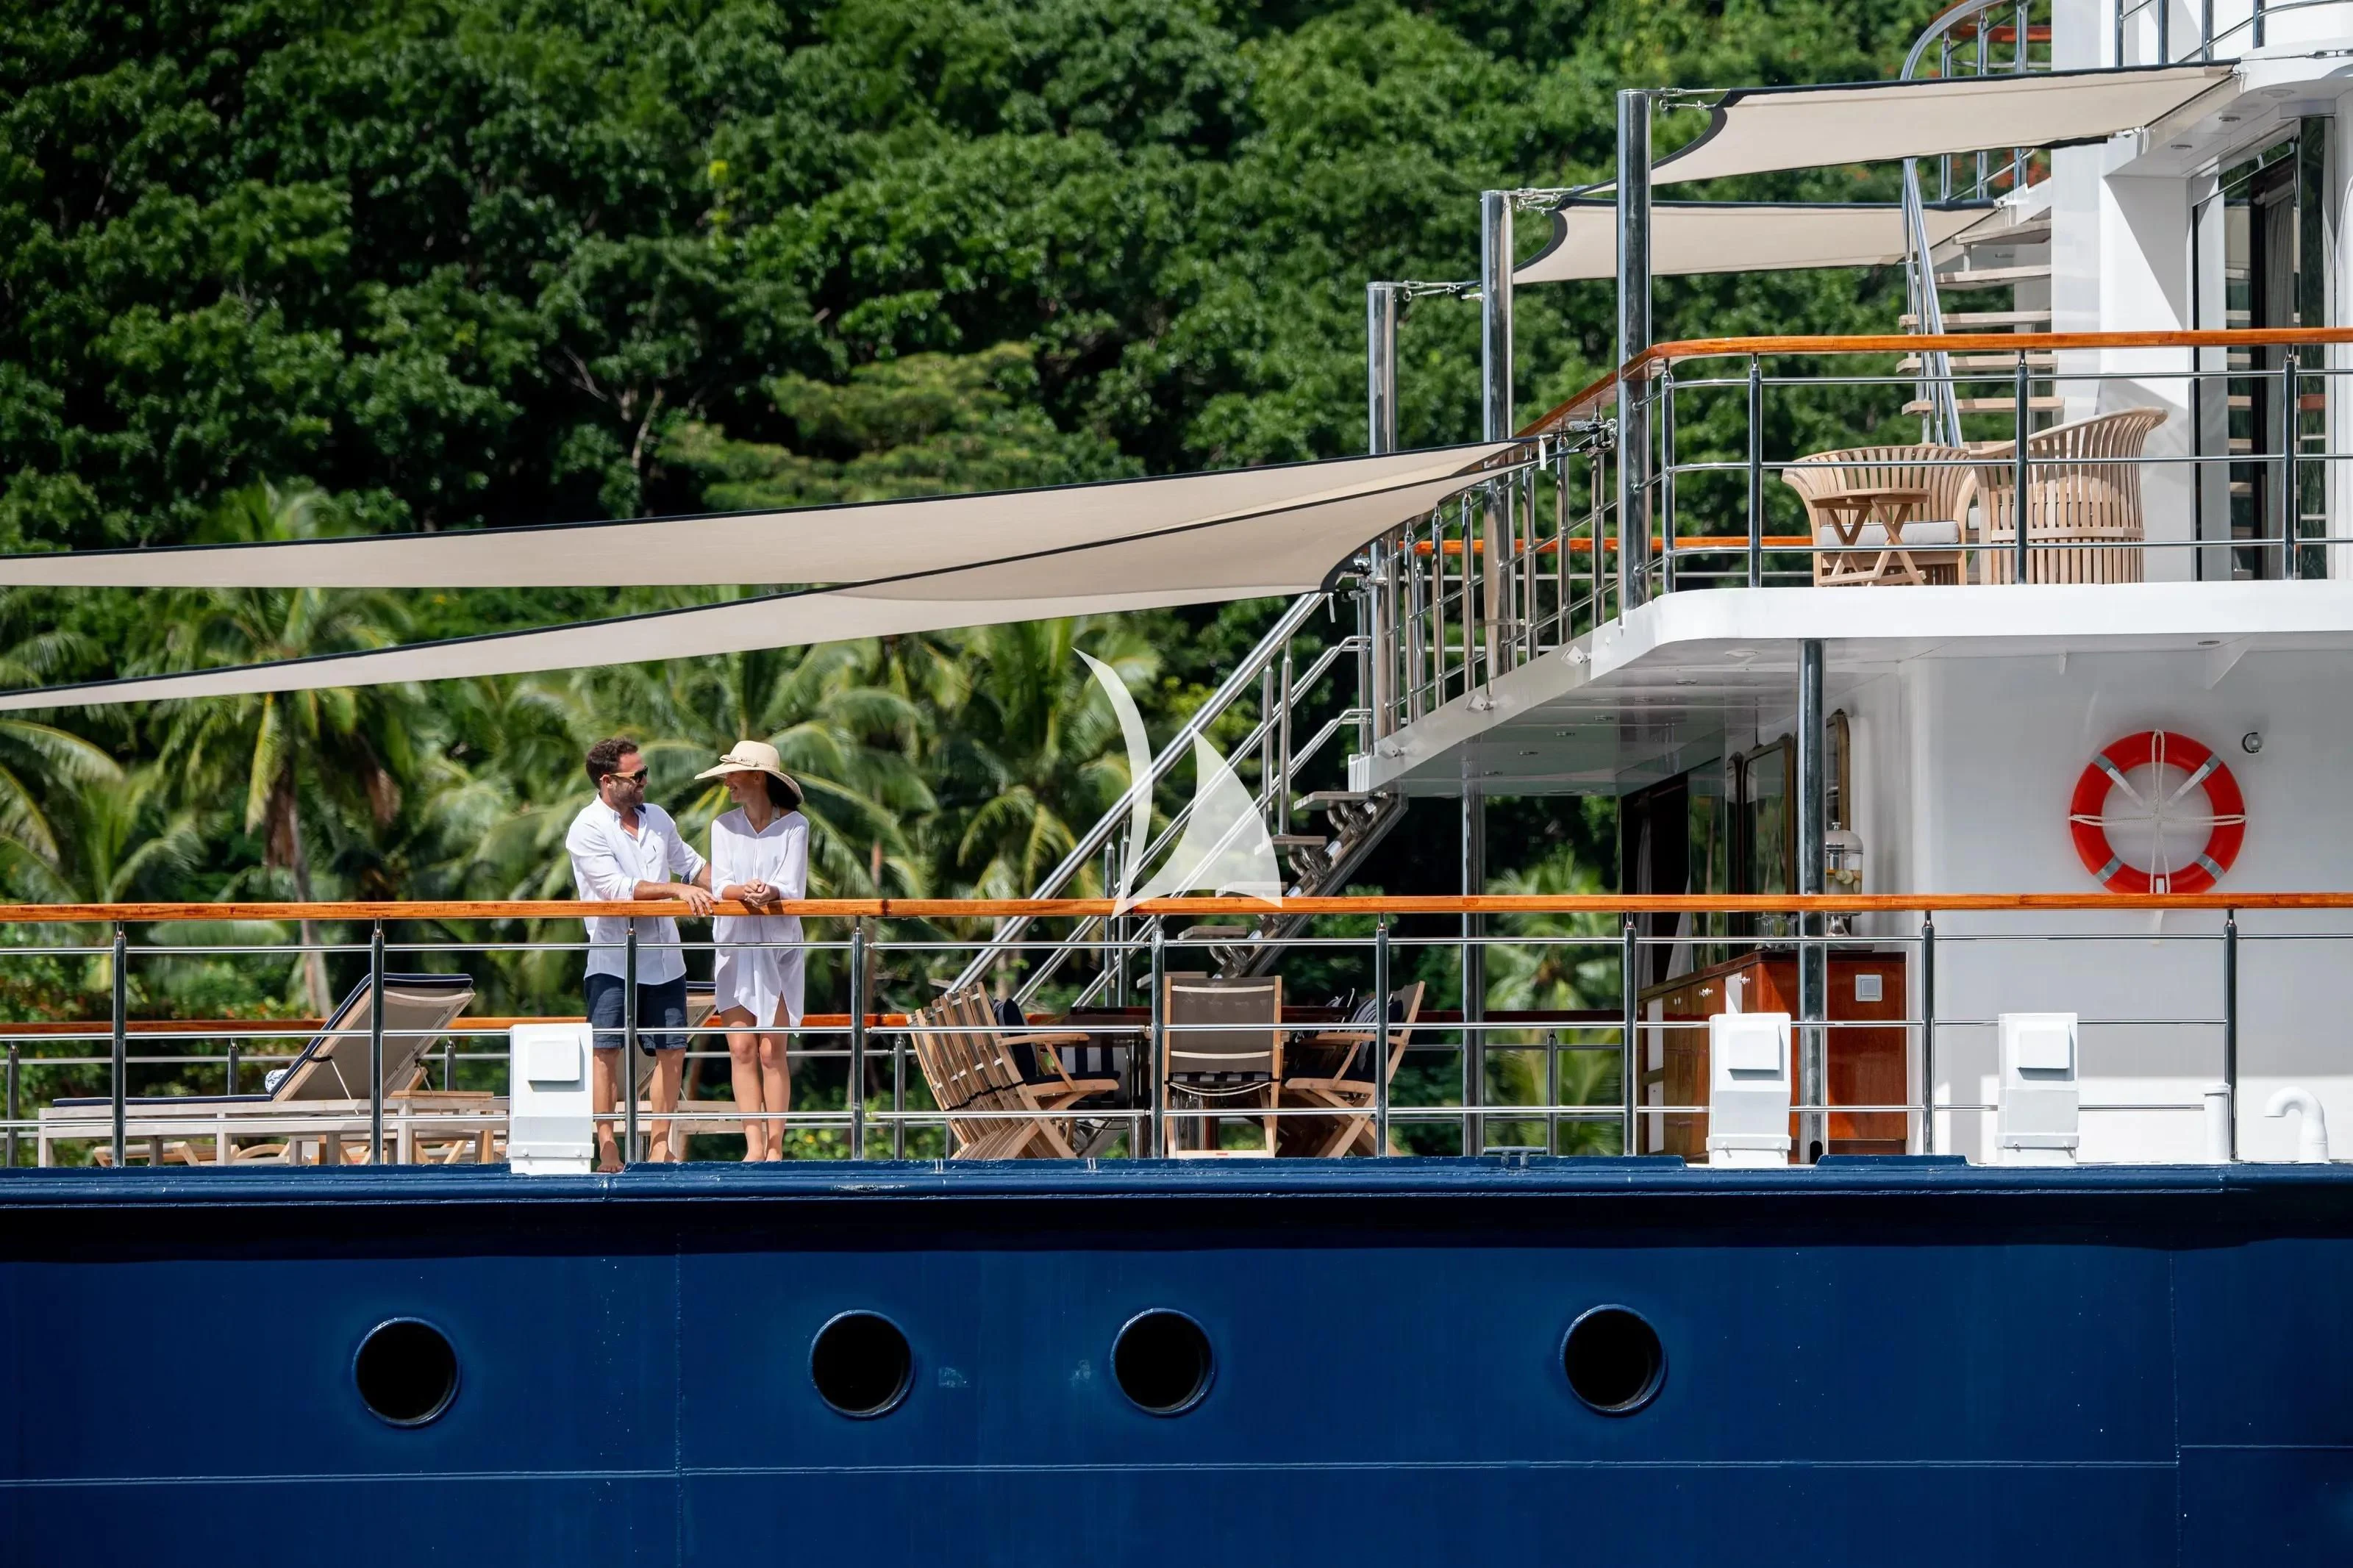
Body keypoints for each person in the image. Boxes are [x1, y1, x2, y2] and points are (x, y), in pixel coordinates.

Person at [566, 737, 713, 1170]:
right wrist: (676, 889)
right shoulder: (587, 827)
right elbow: (614, 889)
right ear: (608, 781)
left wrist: (735, 885)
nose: (646, 782)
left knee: (672, 1051)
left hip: (664, 955)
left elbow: (690, 863)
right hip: (612, 955)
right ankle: (607, 1142)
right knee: (605, 1050)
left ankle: (659, 1143)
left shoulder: (659, 818)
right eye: (638, 776)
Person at [698, 740, 809, 1161]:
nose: (728, 781)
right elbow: (719, 882)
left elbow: (793, 884)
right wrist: (743, 890)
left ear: (758, 777)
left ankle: (776, 1146)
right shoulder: (723, 826)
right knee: (742, 1048)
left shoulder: (795, 825)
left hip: (778, 945)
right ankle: (753, 1147)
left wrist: (770, 889)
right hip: (735, 943)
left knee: (771, 1049)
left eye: (735, 774)